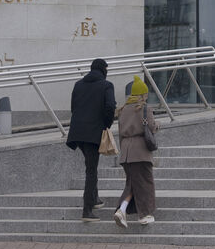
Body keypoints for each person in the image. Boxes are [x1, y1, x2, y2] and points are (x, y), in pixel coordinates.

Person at [65, 58, 116, 220]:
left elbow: (73, 107)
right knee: (91, 170)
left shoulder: (78, 85)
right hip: (94, 132)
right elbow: (110, 107)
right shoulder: (107, 85)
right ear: (103, 70)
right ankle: (87, 209)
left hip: (77, 133)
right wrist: (106, 125)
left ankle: (94, 198)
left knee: (90, 165)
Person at [113, 75, 159, 228]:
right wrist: (157, 125)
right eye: (145, 94)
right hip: (141, 152)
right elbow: (151, 127)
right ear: (142, 94)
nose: (146, 96)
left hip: (126, 152)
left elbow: (120, 134)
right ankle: (145, 215)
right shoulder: (145, 108)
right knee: (146, 183)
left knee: (132, 183)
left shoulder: (123, 110)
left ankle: (122, 210)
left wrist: (123, 152)